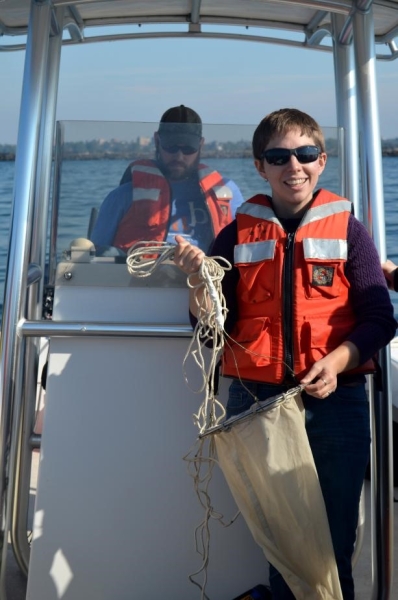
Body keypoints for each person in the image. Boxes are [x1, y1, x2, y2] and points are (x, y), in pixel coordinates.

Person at [172, 108, 397, 600]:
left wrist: (337, 363)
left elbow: (381, 319)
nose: (293, 165)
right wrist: (196, 280)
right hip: (258, 404)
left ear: (322, 160)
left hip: (337, 404)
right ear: (260, 166)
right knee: (284, 547)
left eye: (305, 153)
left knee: (335, 541)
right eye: (279, 156)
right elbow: (211, 331)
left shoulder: (350, 233)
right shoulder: (234, 236)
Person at [90, 105, 244, 255]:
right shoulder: (122, 196)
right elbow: (96, 257)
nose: (179, 156)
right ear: (157, 141)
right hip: (141, 279)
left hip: (205, 278)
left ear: (201, 145)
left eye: (188, 148)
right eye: (171, 147)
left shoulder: (227, 193)